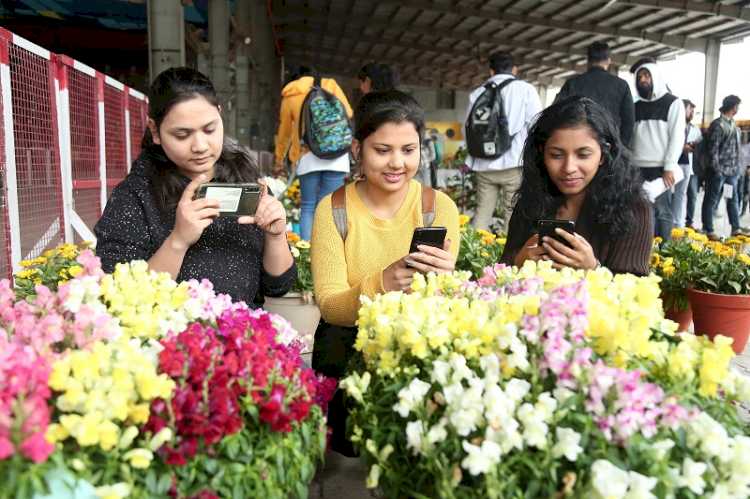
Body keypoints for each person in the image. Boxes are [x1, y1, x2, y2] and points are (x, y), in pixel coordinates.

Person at [311, 90, 459, 455]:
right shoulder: (334, 210)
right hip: (349, 349)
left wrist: (444, 281)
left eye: (408, 150)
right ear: (357, 149)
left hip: (415, 346)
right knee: (352, 452)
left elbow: (443, 298)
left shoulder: (437, 207)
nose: (397, 163)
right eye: (382, 150)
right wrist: (382, 284)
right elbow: (330, 306)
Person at [95, 67, 296, 305]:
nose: (200, 145)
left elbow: (277, 286)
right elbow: (119, 295)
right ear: (155, 131)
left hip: (242, 336)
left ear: (220, 116)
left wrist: (275, 237)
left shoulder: (246, 180)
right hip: (169, 339)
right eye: (182, 134)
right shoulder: (135, 195)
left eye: (210, 129)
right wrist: (178, 240)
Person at [500, 96, 653, 276]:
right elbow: (500, 271)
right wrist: (517, 263)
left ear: (603, 155)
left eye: (583, 155)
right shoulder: (531, 203)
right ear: (542, 153)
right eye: (556, 155)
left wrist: (593, 270)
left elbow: (635, 294)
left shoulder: (634, 210)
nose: (569, 168)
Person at [274, 65, 354, 241]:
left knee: (308, 207)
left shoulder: (291, 94)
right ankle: (325, 251)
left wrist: (279, 159)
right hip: (336, 154)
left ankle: (306, 254)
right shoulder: (330, 85)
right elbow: (348, 113)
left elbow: (285, 131)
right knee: (328, 207)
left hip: (307, 154)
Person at [465, 51, 542, 232]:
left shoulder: (477, 93)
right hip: (514, 163)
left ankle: (475, 254)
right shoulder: (525, 89)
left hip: (484, 164)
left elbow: (468, 128)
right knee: (512, 214)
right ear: (514, 69)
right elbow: (538, 124)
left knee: (482, 213)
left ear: (491, 71)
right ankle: (507, 257)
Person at [631, 60, 686, 241]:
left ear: (655, 77)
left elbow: (677, 137)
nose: (643, 80)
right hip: (637, 168)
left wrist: (669, 166)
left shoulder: (673, 103)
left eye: (646, 76)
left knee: (662, 212)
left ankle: (665, 252)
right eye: (639, 77)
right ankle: (642, 249)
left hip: (661, 168)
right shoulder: (635, 105)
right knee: (639, 211)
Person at [555, 41, 635, 147]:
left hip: (579, 144)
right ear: (608, 61)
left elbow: (558, 113)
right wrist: (621, 146)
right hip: (610, 145)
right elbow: (629, 121)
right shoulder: (621, 85)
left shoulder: (572, 83)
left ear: (588, 61)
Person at [701, 95, 743, 239]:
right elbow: (713, 150)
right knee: (711, 200)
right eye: (737, 106)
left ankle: (735, 227)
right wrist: (717, 170)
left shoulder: (733, 125)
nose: (738, 109)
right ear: (732, 107)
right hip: (718, 171)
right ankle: (708, 229)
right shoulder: (718, 125)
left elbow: (737, 149)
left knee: (733, 199)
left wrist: (738, 169)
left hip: (732, 171)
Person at [677, 99, 703, 228]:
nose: (692, 112)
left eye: (693, 110)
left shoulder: (695, 129)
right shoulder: (676, 125)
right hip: (676, 164)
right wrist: (682, 147)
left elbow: (700, 146)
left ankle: (689, 221)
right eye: (690, 109)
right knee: (677, 195)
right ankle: (676, 221)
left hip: (691, 166)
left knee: (692, 195)